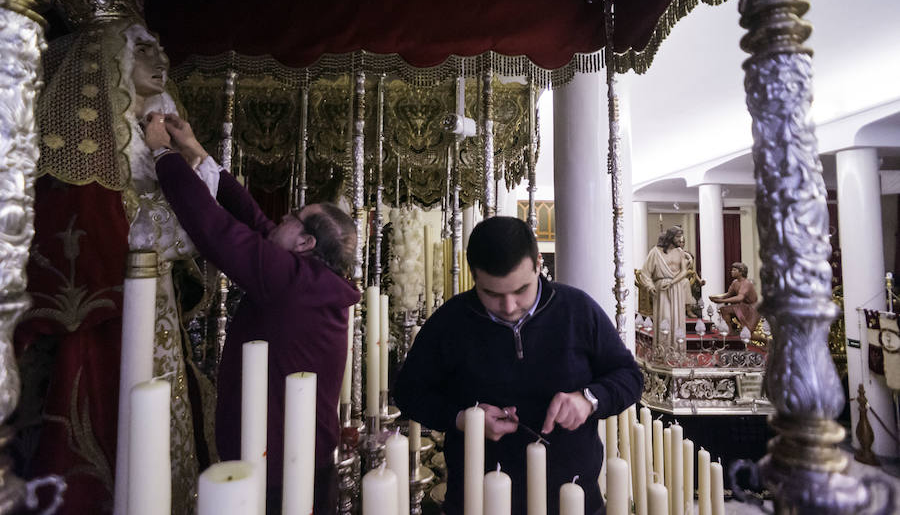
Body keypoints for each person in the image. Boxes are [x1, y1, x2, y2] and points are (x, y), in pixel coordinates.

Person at [15, 0, 216, 513]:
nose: (161, 57)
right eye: (143, 48)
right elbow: (89, 246)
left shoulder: (153, 145)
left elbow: (195, 230)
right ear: (108, 60)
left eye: (158, 46)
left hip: (157, 315)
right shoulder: (79, 163)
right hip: (107, 325)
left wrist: (188, 160)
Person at [143, 113, 360, 515]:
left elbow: (215, 230)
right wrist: (196, 151)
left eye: (293, 218)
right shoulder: (309, 277)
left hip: (279, 468)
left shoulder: (292, 283)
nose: (282, 217)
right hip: (293, 455)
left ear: (306, 244)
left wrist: (163, 155)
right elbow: (256, 221)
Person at [393, 216, 642, 515]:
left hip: (572, 497)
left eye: (521, 290)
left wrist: (589, 399)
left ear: (538, 265)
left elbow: (629, 377)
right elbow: (408, 392)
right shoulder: (450, 321)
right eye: (492, 294)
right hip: (477, 500)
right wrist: (462, 418)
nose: (509, 307)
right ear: (474, 276)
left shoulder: (577, 309)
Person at [638, 226, 693, 348]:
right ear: (670, 237)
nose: (680, 239)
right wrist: (650, 286)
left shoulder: (680, 252)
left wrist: (672, 282)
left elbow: (684, 271)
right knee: (665, 317)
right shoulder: (655, 252)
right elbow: (645, 272)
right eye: (677, 237)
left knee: (677, 319)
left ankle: (677, 350)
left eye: (681, 236)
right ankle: (663, 349)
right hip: (662, 288)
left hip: (676, 287)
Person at [709, 262, 760, 334]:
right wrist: (715, 297)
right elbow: (728, 295)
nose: (731, 272)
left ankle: (765, 340)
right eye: (732, 270)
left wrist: (721, 301)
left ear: (741, 272)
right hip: (742, 307)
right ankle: (731, 330)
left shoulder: (746, 283)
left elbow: (740, 298)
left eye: (734, 270)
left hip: (752, 309)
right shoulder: (735, 282)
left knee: (748, 333)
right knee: (724, 309)